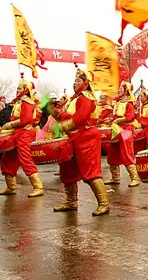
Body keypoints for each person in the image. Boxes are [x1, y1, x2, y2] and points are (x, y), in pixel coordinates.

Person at [52, 66, 110, 215]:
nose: (74, 83)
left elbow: (80, 118)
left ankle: (104, 203)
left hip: (86, 137)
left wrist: (62, 125)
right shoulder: (75, 99)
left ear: (86, 82)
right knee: (67, 169)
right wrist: (57, 113)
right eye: (74, 80)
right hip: (74, 136)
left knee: (90, 170)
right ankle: (71, 202)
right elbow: (70, 117)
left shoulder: (87, 98)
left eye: (78, 80)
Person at [0, 75, 44, 197]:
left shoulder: (27, 101)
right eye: (17, 88)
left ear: (26, 90)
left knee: (25, 158)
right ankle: (11, 187)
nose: (17, 90)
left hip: (25, 133)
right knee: (7, 158)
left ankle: (38, 187)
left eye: (20, 88)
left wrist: (10, 124)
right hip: (17, 133)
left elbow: (26, 120)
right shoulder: (19, 102)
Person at [104, 81, 140, 187]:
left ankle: (135, 178)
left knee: (127, 154)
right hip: (116, 130)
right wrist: (109, 120)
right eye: (119, 88)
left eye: (121, 88)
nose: (119, 90)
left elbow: (130, 118)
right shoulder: (118, 103)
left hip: (125, 131)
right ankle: (115, 178)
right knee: (112, 153)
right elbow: (113, 116)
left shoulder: (129, 103)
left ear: (126, 91)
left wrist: (117, 121)